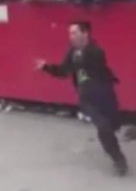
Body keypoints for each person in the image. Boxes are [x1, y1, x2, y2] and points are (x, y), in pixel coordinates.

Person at [36, 21, 127, 176]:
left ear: (85, 34)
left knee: (113, 124)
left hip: (103, 95)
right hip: (87, 99)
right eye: (70, 33)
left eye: (74, 33)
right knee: (103, 127)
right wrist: (46, 67)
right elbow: (64, 71)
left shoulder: (96, 51)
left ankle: (117, 133)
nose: (71, 37)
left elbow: (92, 69)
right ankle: (118, 160)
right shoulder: (72, 52)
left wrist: (78, 56)